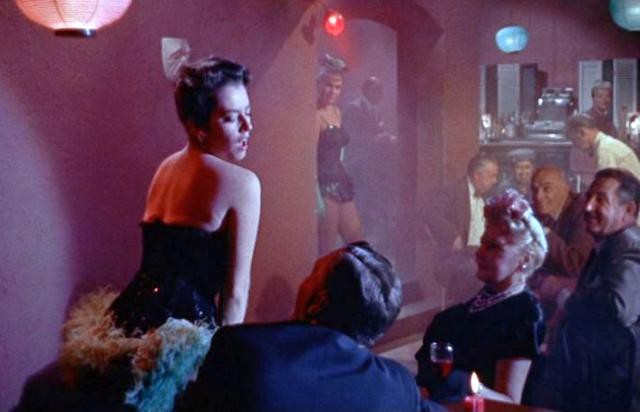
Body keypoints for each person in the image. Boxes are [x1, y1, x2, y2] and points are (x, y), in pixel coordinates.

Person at [15, 57, 261, 412]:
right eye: (231, 117)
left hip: (123, 325)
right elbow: (236, 293)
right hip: (178, 347)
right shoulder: (243, 184)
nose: (248, 126)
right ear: (198, 127)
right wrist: (222, 372)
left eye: (248, 113)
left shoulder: (166, 169)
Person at [179, 242, 446, 412]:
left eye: (311, 275)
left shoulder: (242, 350)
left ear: (318, 301)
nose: (302, 284)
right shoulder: (398, 386)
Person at [416, 190, 547, 405]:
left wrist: (468, 385)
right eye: (483, 243)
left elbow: (509, 402)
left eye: (494, 246)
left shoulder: (522, 313)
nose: (480, 252)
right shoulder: (466, 308)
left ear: (525, 259)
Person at [534, 168, 640, 412]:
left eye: (601, 199)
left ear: (629, 210)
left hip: (612, 394)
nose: (588, 207)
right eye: (589, 197)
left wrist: (562, 294)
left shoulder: (629, 247)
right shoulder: (609, 244)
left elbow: (618, 308)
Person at [425, 153, 500, 305]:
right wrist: (452, 236)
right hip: (456, 257)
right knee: (475, 272)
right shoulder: (452, 191)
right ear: (478, 175)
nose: (495, 180)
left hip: (480, 253)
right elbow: (432, 215)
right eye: (492, 176)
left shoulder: (489, 196)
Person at [528, 165, 593, 324]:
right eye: (535, 190)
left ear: (566, 188)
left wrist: (543, 232)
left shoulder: (583, 212)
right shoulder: (538, 211)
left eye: (547, 189)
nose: (538, 196)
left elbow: (575, 264)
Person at [342, 75, 398, 256]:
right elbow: (354, 138)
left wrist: (386, 138)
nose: (380, 94)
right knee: (360, 204)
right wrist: (379, 139)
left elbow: (378, 132)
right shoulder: (353, 109)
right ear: (366, 90)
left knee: (373, 206)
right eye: (376, 90)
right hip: (358, 167)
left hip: (373, 168)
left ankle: (370, 245)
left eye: (381, 90)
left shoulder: (376, 109)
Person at [315, 54, 364, 255]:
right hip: (324, 185)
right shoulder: (314, 115)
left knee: (357, 241)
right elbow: (309, 157)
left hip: (340, 180)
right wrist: (315, 195)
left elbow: (340, 150)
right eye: (329, 86)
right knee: (327, 249)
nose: (333, 92)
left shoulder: (336, 111)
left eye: (338, 87)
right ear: (319, 83)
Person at [567, 113, 640, 180]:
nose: (576, 146)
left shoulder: (604, 149)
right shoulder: (605, 144)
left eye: (574, 140)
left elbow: (605, 183)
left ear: (582, 132)